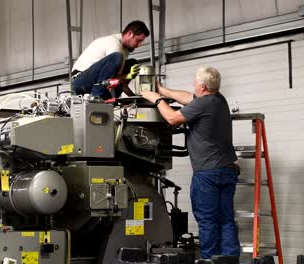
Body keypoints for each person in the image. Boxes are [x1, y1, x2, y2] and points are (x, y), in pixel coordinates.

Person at [141, 66, 240, 260]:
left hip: (208, 173)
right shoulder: (218, 100)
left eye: (195, 82)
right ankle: (229, 259)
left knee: (207, 221)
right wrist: (164, 90)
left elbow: (172, 118)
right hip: (228, 169)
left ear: (202, 86)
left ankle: (209, 260)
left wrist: (157, 99)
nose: (193, 85)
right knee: (225, 219)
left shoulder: (204, 104)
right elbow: (188, 98)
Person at [71, 20, 150, 100]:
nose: (139, 45)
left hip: (94, 80)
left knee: (132, 64)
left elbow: (118, 80)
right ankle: (97, 96)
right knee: (117, 57)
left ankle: (107, 98)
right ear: (130, 34)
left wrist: (133, 97)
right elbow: (114, 78)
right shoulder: (114, 44)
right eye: (138, 40)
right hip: (79, 80)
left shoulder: (124, 51)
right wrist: (127, 76)